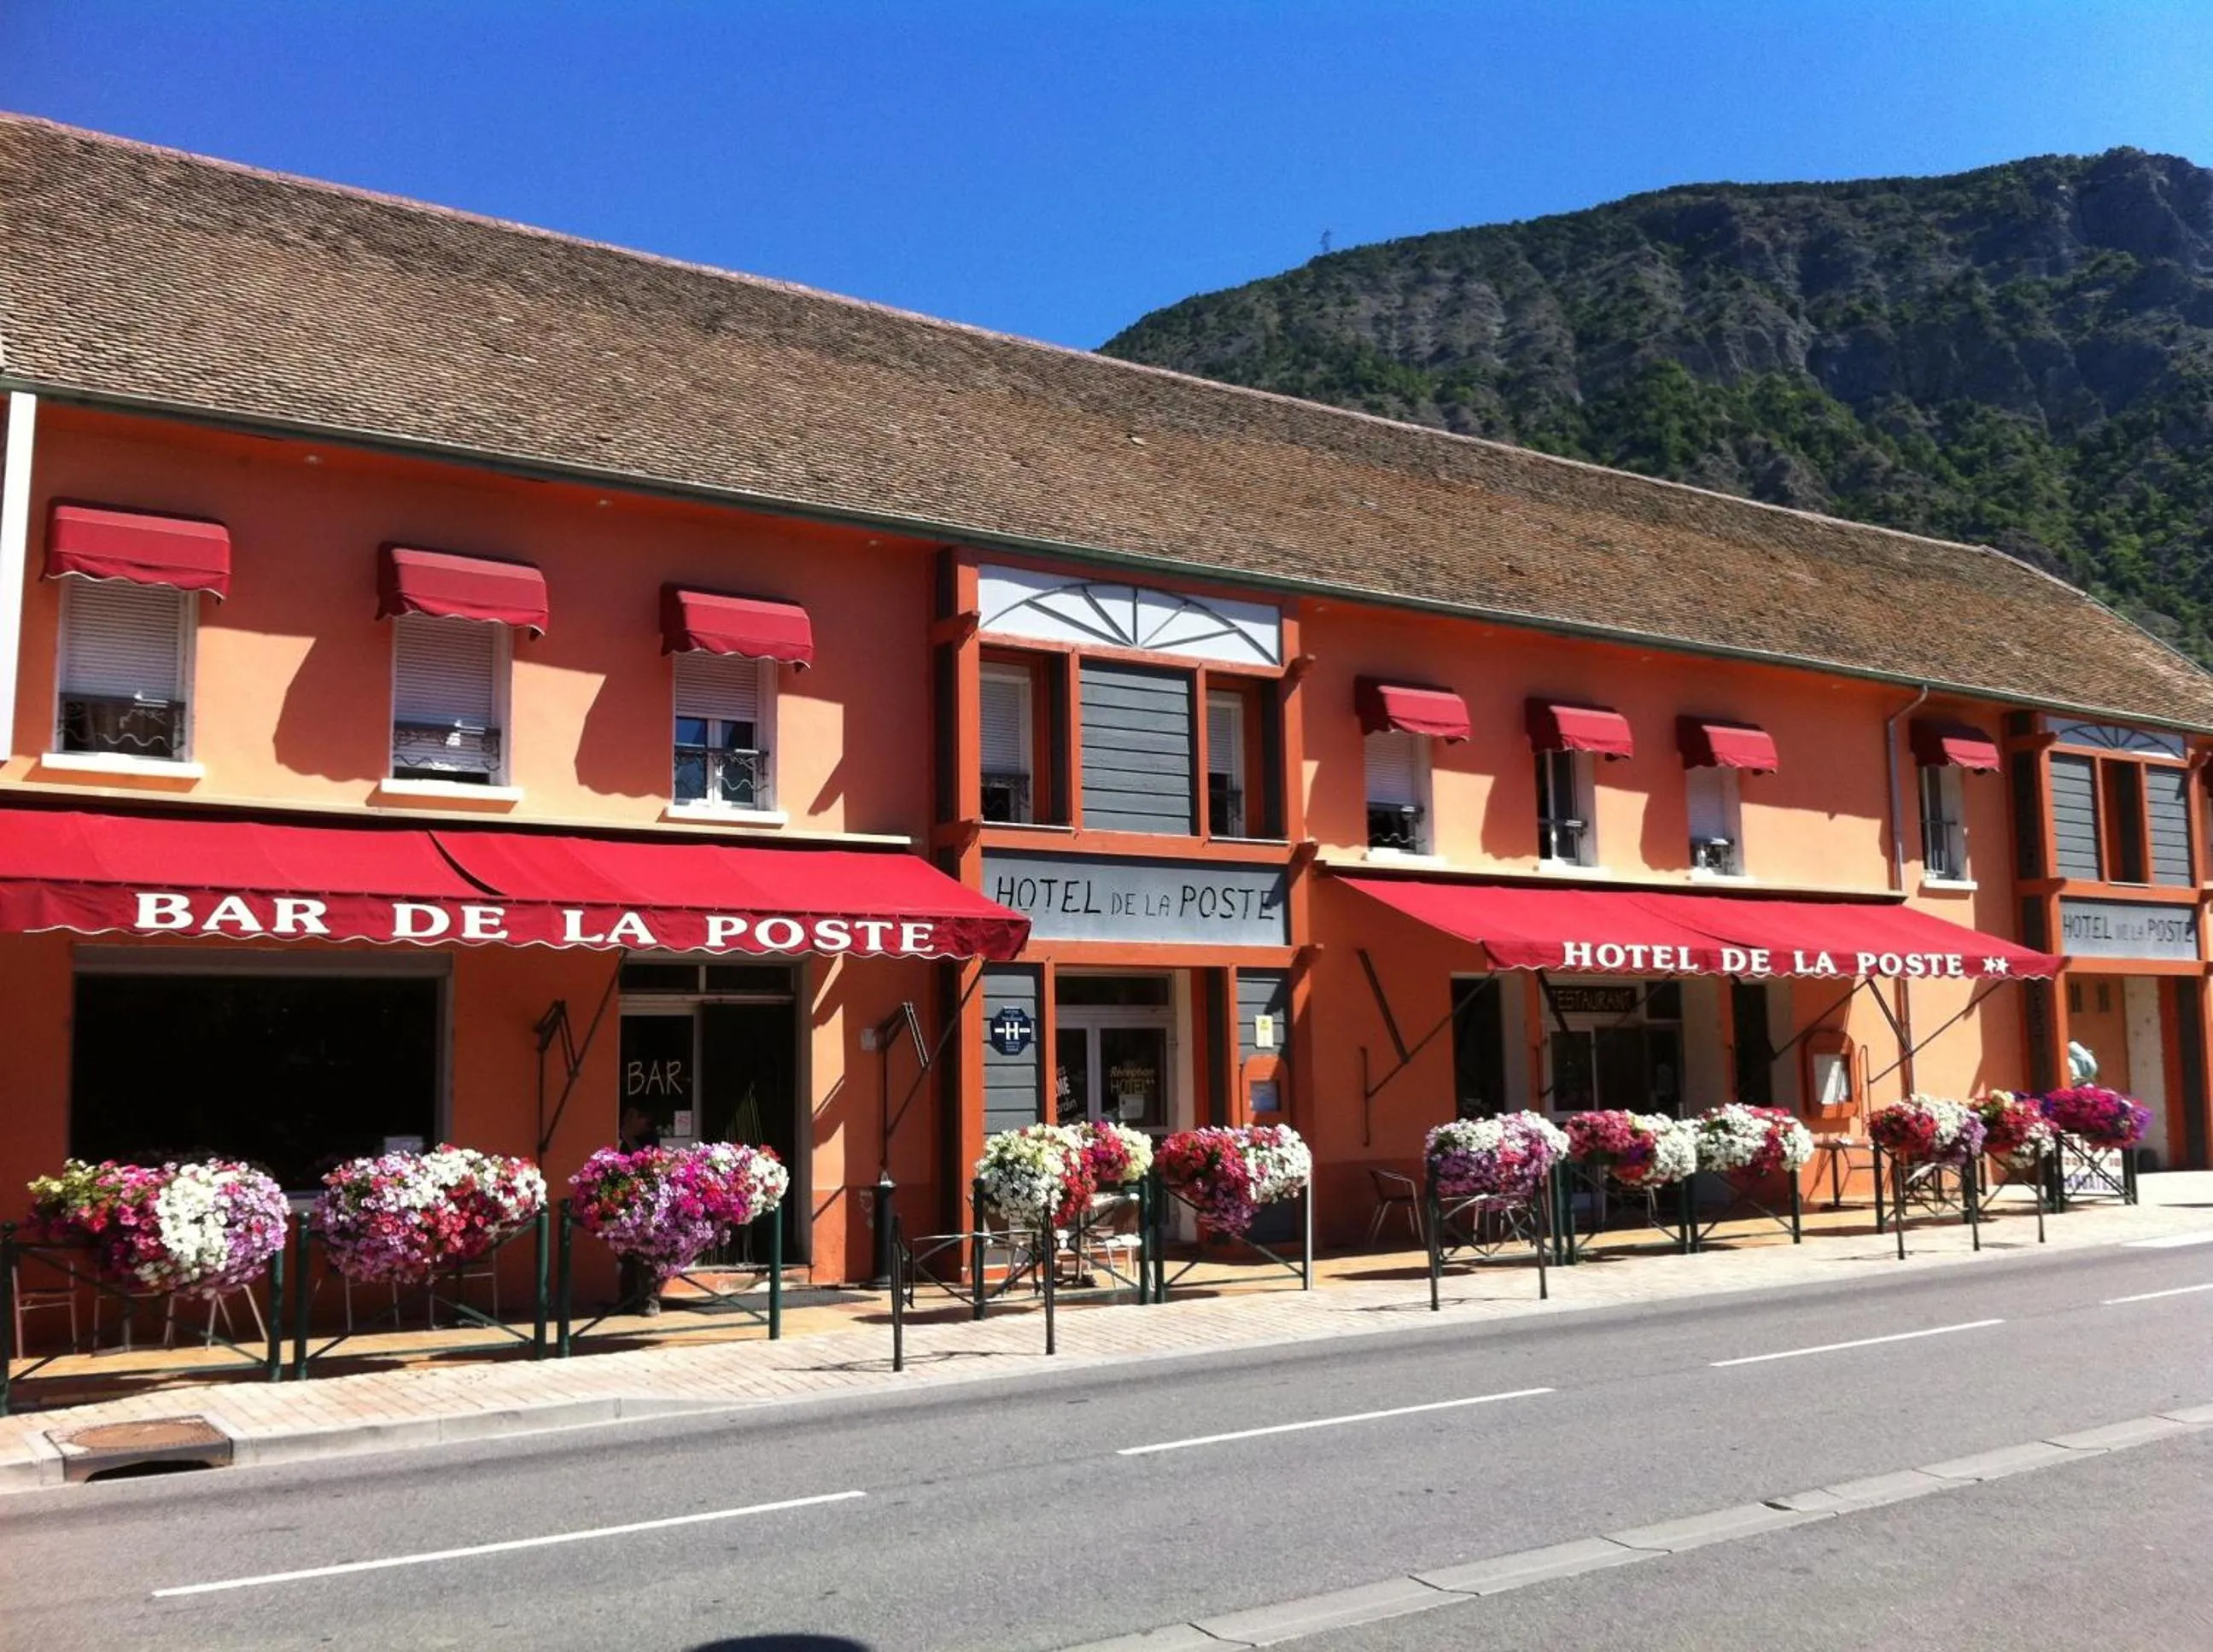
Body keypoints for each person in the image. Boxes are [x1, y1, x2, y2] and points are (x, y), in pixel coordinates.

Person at [616, 1106, 663, 1316]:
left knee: (646, 1252)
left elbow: (646, 1163)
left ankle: (649, 1301)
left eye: (631, 1116)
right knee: (626, 1252)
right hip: (626, 1198)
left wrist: (628, 1138)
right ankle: (626, 1300)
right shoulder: (624, 1136)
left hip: (647, 1201)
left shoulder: (650, 1138)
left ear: (643, 1120)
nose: (625, 1119)